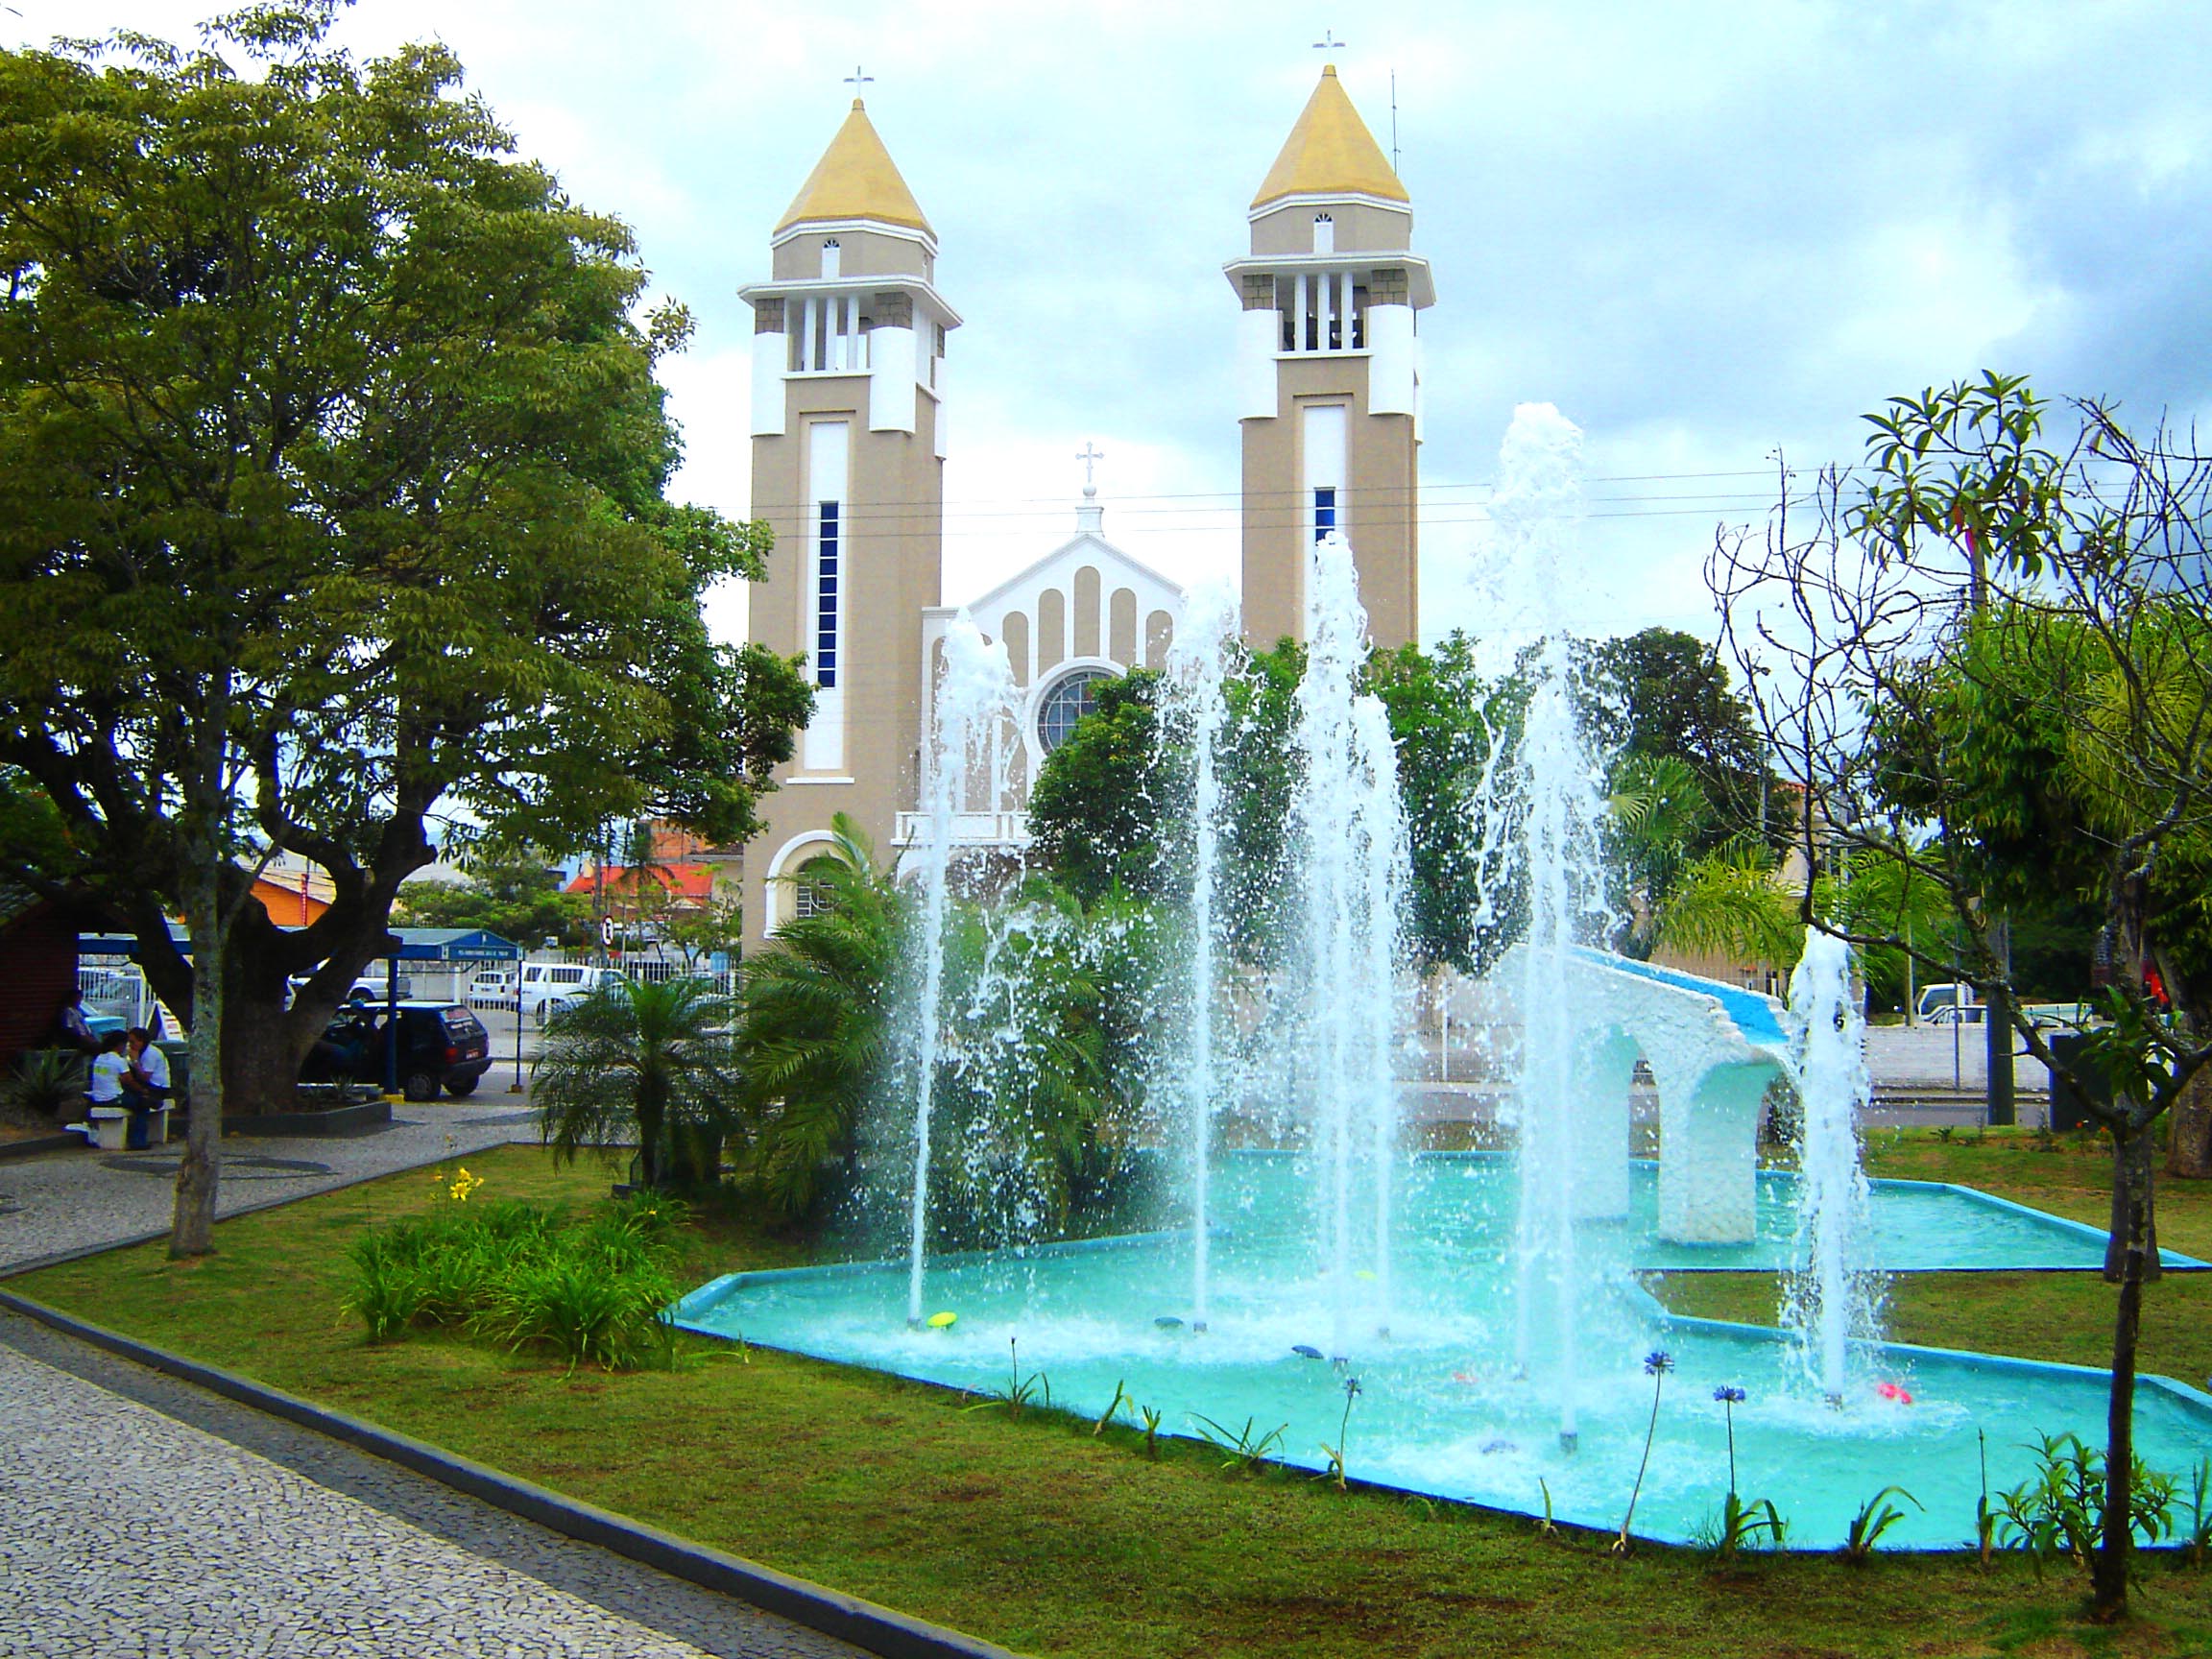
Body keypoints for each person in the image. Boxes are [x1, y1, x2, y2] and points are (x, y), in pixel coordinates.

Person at [85, 1030, 131, 1106]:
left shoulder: (99, 1057)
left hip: (97, 1097)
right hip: (113, 1097)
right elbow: (130, 1081)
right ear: (120, 1044)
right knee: (141, 1103)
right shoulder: (119, 1060)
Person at [127, 1028, 172, 1104]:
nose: (130, 1045)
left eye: (132, 1042)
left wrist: (135, 1061)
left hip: (158, 1087)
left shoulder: (150, 1054)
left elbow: (145, 1077)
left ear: (141, 1042)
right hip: (150, 1085)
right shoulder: (139, 1052)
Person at [55, 991, 97, 1056]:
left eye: (80, 998)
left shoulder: (78, 1011)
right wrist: (83, 1037)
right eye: (77, 998)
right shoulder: (68, 1011)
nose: (79, 1000)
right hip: (77, 1039)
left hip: (85, 1038)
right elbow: (69, 1029)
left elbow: (85, 1027)